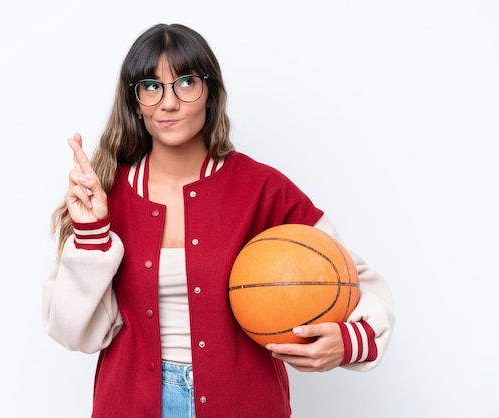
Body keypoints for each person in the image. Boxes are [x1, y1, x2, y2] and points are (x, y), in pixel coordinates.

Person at [43, 23, 395, 418]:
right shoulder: (108, 195)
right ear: (135, 101)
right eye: (151, 86)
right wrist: (92, 234)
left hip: (244, 404)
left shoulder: (262, 188)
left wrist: (352, 340)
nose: (169, 103)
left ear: (210, 92)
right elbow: (72, 331)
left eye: (186, 82)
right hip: (128, 406)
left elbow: (350, 276)